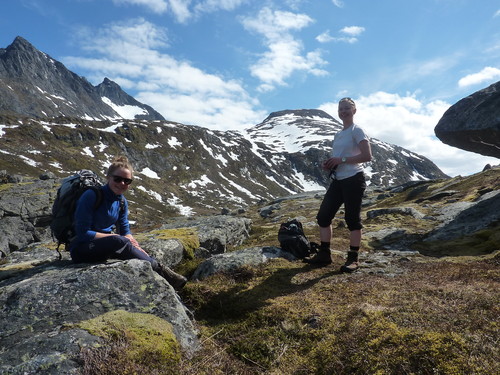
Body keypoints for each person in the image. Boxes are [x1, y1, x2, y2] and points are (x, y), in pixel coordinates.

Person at [70, 155, 187, 290]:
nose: (122, 184)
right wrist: (116, 238)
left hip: (106, 246)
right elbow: (83, 233)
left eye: (127, 181)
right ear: (108, 177)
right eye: (118, 179)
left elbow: (125, 230)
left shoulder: (121, 201)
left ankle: (158, 270)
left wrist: (134, 243)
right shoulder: (91, 195)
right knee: (120, 242)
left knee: (127, 244)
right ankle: (164, 273)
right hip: (82, 249)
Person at [304, 97, 372, 272]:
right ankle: (324, 254)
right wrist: (330, 164)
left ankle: (353, 258)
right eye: (341, 109)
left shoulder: (357, 131)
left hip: (354, 179)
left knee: (352, 220)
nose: (343, 112)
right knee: (323, 217)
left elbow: (367, 156)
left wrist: (341, 159)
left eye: (347, 108)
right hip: (338, 180)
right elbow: (341, 158)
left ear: (354, 111)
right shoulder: (339, 133)